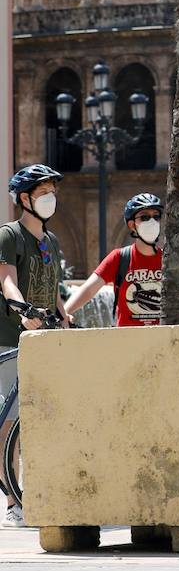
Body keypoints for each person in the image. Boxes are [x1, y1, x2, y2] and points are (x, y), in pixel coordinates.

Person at [1, 164, 72, 527]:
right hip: (9, 339)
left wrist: (64, 314)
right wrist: (21, 307)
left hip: (43, 339)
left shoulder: (51, 240)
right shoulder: (9, 235)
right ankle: (14, 502)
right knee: (9, 422)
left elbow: (54, 284)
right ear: (24, 199)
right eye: (43, 193)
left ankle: (42, 491)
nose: (50, 199)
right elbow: (7, 281)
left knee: (42, 419)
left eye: (52, 192)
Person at [65, 193, 165, 327]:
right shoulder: (119, 258)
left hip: (163, 340)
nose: (152, 221)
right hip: (126, 341)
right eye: (145, 217)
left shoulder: (169, 261)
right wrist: (64, 313)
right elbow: (88, 289)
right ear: (132, 225)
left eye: (156, 216)